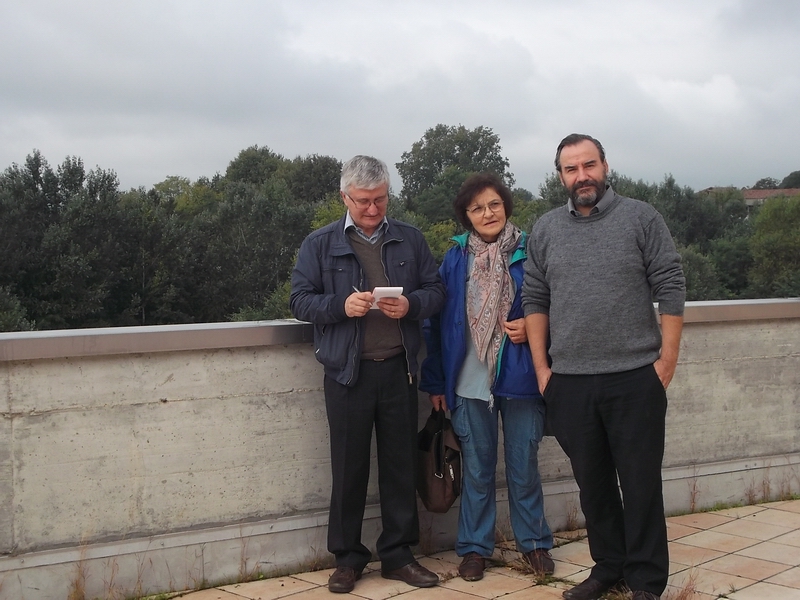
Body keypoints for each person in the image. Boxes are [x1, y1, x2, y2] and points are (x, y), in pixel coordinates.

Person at [522, 134, 686, 600]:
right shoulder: (547, 229)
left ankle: (647, 581)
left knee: (639, 486)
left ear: (605, 166)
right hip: (569, 382)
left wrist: (666, 361)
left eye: (588, 165)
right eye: (571, 169)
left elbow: (670, 285)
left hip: (635, 377)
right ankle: (607, 567)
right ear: (560, 176)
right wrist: (542, 371)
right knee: (593, 488)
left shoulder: (641, 217)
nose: (582, 176)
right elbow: (535, 298)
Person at [289, 155, 445, 594]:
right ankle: (348, 559)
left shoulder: (410, 239)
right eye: (363, 202)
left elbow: (437, 292)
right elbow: (299, 301)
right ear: (344, 197)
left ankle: (399, 555)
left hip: (400, 370)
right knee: (348, 467)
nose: (373, 210)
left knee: (398, 467)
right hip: (346, 374)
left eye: (379, 200)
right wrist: (341, 306)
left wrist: (411, 304)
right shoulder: (319, 244)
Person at [420, 173, 554, 582]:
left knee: (522, 465)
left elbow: (560, 303)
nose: (487, 213)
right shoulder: (455, 257)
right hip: (468, 380)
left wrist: (535, 331)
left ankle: (534, 544)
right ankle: (476, 548)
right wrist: (435, 382)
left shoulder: (532, 251)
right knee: (477, 468)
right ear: (466, 216)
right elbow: (436, 322)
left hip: (522, 378)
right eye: (477, 207)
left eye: (494, 204)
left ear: (506, 206)